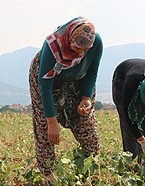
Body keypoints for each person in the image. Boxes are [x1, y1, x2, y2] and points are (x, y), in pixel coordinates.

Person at [28, 16, 103, 182]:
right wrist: (52, 122)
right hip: (48, 81)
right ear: (69, 39)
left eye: (84, 51)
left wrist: (86, 98)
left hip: (78, 80)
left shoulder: (96, 42)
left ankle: (90, 171)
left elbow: (92, 72)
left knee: (86, 121)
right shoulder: (52, 46)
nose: (80, 54)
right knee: (45, 128)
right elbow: (45, 86)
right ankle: (48, 176)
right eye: (76, 50)